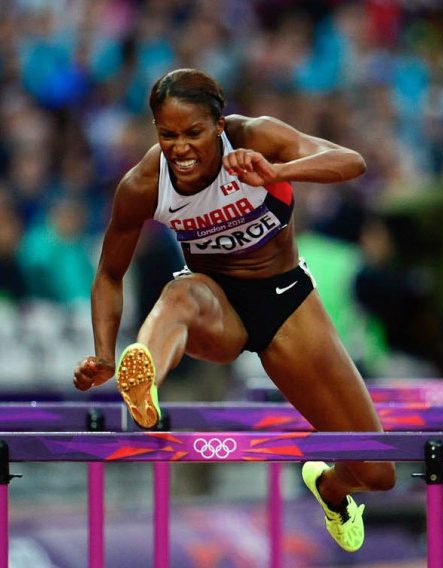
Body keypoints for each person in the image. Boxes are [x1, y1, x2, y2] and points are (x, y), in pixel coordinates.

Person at [72, 68, 394, 553]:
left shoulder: (255, 136)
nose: (180, 148)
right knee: (180, 294)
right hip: (216, 304)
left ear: (219, 125)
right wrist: (101, 352)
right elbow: (109, 275)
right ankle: (143, 381)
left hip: (287, 301)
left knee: (377, 471)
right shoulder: (144, 183)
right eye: (167, 135)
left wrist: (278, 172)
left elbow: (351, 162)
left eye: (193, 134)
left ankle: (330, 488)